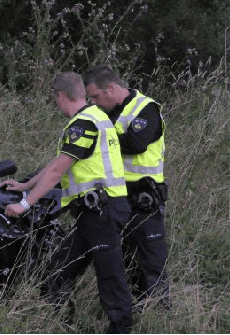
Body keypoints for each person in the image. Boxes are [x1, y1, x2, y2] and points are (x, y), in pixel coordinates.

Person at [1, 72, 133, 333]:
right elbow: (59, 161)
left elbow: (57, 171)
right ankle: (62, 325)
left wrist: (25, 204)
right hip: (91, 213)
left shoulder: (82, 124)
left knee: (110, 279)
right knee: (58, 272)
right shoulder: (97, 117)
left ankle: (121, 329)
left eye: (55, 99)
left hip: (102, 212)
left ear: (61, 95)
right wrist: (25, 185)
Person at [83, 65, 171, 311]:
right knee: (125, 262)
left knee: (151, 262)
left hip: (144, 199)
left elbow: (136, 143)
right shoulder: (105, 113)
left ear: (111, 88)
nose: (94, 102)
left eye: (96, 96)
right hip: (116, 199)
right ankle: (132, 314)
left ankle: (158, 316)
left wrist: (101, 138)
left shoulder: (146, 108)